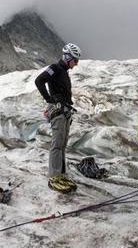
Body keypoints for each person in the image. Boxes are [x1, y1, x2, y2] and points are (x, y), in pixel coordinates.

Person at [35, 43, 81, 193]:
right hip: (58, 111)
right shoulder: (54, 68)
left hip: (65, 111)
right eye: (75, 60)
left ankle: (61, 174)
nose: (76, 63)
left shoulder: (64, 72)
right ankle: (54, 177)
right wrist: (49, 99)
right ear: (68, 57)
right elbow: (39, 80)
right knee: (57, 144)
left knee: (62, 144)